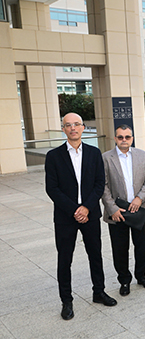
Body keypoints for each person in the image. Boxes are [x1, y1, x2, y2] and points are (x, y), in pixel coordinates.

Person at [45, 113, 117, 320]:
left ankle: (99, 292)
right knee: (64, 259)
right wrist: (75, 210)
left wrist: (86, 207)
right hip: (65, 217)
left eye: (76, 124)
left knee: (95, 254)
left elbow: (98, 183)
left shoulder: (95, 154)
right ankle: (66, 301)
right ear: (63, 129)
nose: (73, 128)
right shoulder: (54, 156)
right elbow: (52, 189)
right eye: (68, 125)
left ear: (83, 128)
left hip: (90, 214)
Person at [101, 125, 145, 296]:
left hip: (139, 209)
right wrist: (112, 208)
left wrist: (140, 198)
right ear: (115, 138)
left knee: (141, 246)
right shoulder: (105, 158)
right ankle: (124, 280)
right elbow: (102, 185)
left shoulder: (142, 155)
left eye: (127, 137)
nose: (124, 140)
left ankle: (142, 275)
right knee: (120, 248)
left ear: (132, 138)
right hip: (118, 212)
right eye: (120, 137)